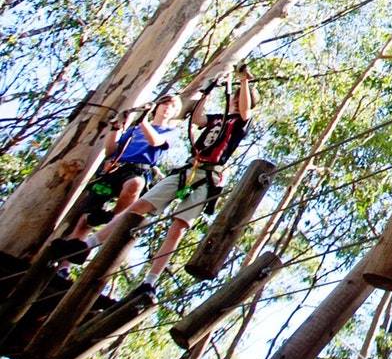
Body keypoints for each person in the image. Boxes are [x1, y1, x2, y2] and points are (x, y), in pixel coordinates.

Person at [105, 64, 255, 297]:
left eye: (239, 100)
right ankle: (89, 243)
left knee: (177, 229)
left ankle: (150, 282)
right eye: (233, 99)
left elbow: (246, 110)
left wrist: (244, 81)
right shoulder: (217, 119)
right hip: (187, 169)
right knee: (139, 207)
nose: (235, 103)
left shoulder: (241, 124)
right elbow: (197, 119)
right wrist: (207, 92)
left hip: (205, 178)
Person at [49, 95, 179, 264]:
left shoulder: (170, 131)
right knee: (86, 219)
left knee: (135, 184)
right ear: (158, 106)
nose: (167, 108)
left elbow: (155, 142)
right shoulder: (134, 130)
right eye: (164, 104)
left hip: (138, 169)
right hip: (116, 168)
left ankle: (114, 217)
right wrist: (115, 128)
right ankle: (65, 263)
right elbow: (111, 149)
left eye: (172, 106)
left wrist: (143, 121)